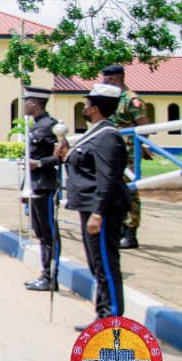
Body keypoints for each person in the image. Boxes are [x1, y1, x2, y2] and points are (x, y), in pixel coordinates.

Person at [55, 83, 129, 318]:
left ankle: (112, 319)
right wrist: (66, 156)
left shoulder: (108, 137)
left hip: (102, 210)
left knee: (106, 266)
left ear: (95, 108)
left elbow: (107, 178)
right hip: (90, 207)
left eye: (87, 104)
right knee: (97, 265)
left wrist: (98, 213)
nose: (84, 108)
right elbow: (86, 167)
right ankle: (103, 315)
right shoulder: (96, 133)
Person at [100, 64, 151, 249]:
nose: (104, 82)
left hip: (127, 153)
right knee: (114, 190)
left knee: (130, 190)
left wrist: (138, 147)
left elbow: (144, 127)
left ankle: (130, 232)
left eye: (106, 79)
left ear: (114, 79)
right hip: (111, 152)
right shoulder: (110, 99)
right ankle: (119, 228)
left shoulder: (131, 99)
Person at [21, 86, 60, 292]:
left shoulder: (50, 126)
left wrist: (40, 163)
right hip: (34, 185)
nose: (23, 105)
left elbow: (60, 156)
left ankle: (51, 276)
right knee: (40, 232)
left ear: (35, 102)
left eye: (26, 101)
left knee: (49, 233)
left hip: (45, 183)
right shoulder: (35, 125)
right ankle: (45, 273)